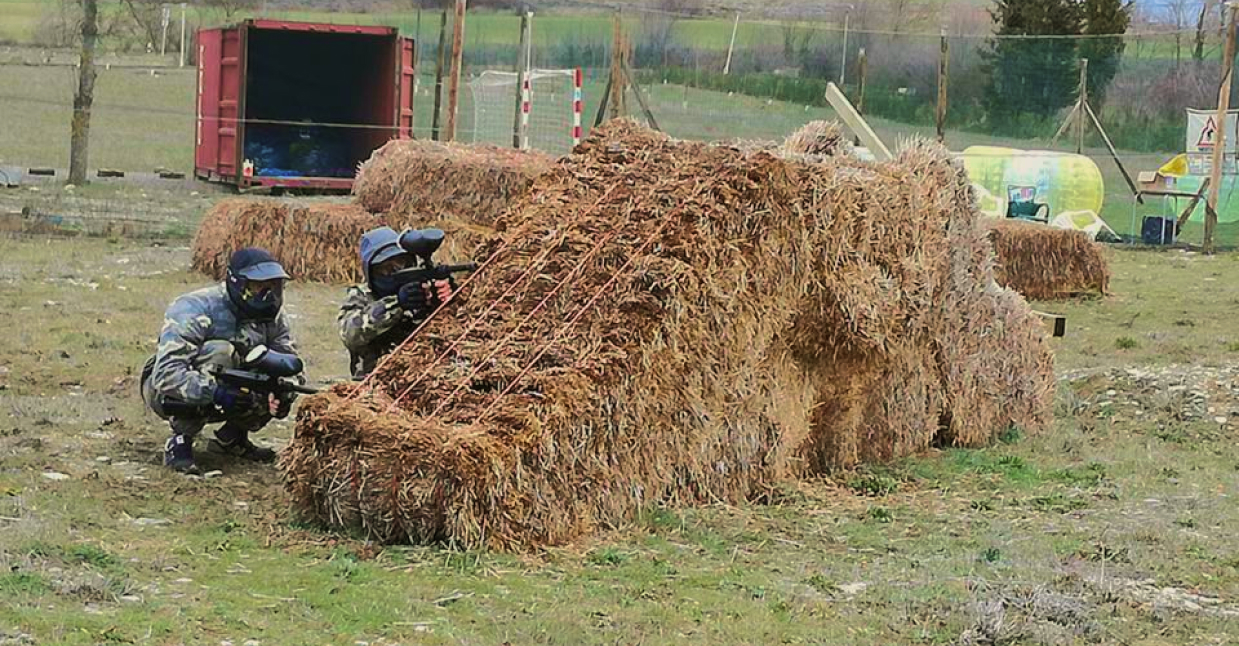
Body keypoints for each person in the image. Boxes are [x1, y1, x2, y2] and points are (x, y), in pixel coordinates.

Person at [140, 248, 302, 475]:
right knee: (221, 351)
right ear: (239, 284)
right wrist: (216, 393)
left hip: (230, 385)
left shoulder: (273, 317)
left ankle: (232, 438)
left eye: (274, 286)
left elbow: (288, 360)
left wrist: (283, 392)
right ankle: (180, 441)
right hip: (165, 390)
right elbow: (166, 374)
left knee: (271, 369)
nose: (268, 295)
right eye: (260, 287)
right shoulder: (195, 308)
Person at [338, 226, 453, 379]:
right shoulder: (361, 295)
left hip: (427, 377)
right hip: (373, 383)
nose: (398, 271)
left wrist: (450, 298)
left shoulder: (423, 287)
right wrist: (396, 303)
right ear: (371, 273)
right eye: (387, 268)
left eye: (403, 264)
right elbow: (350, 334)